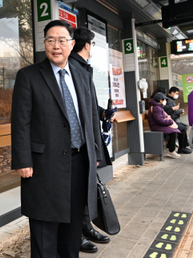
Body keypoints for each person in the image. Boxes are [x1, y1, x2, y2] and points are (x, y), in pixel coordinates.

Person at [11, 20, 102, 258]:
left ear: (72, 44)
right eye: (51, 40)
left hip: (79, 162)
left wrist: (96, 153)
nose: (56, 45)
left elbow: (91, 116)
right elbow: (21, 122)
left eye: (62, 40)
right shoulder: (28, 76)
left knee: (72, 233)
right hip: (43, 165)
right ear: (44, 44)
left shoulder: (82, 75)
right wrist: (22, 160)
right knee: (44, 233)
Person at [69, 27, 112, 253]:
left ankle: (85, 227)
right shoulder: (74, 67)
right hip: (80, 142)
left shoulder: (82, 67)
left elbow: (86, 103)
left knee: (86, 186)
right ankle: (77, 232)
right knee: (78, 190)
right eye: (92, 44)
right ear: (87, 45)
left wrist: (103, 112)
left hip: (88, 138)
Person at [147, 92, 181, 159]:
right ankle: (170, 151)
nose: (165, 101)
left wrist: (167, 119)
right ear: (160, 100)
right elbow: (159, 120)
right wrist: (170, 121)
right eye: (164, 100)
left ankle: (168, 147)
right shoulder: (156, 108)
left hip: (158, 125)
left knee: (175, 130)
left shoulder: (157, 107)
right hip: (156, 126)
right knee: (173, 132)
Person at [164, 86, 192, 155]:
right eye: (176, 93)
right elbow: (172, 110)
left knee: (185, 126)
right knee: (182, 128)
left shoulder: (171, 100)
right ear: (172, 92)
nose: (177, 95)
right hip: (172, 121)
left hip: (173, 121)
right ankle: (182, 147)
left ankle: (184, 146)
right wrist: (180, 111)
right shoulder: (168, 100)